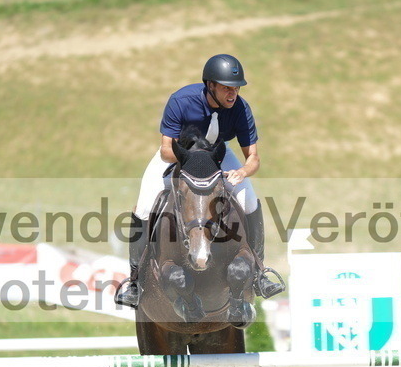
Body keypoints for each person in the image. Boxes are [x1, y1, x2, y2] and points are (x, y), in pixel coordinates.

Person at [115, 54, 285, 308]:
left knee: (249, 200)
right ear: (210, 85)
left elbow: (254, 158)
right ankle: (135, 281)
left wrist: (244, 172)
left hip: (218, 154)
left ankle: (259, 274)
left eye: (236, 88)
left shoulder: (241, 109)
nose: (233, 94)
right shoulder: (181, 101)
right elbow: (165, 150)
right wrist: (192, 161)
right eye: (227, 88)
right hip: (178, 153)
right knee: (143, 205)